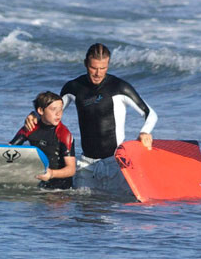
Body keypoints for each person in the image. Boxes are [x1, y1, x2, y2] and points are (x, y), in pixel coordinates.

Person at [25, 43, 157, 195]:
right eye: (94, 68)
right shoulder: (74, 87)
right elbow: (51, 110)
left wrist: (145, 132)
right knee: (82, 212)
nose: (98, 73)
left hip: (114, 163)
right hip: (86, 165)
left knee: (115, 212)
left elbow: (150, 113)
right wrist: (35, 114)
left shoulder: (120, 87)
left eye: (103, 68)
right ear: (86, 64)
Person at [11, 91, 76, 189]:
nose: (59, 114)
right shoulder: (31, 127)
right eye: (54, 109)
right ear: (41, 111)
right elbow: (11, 148)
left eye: (61, 109)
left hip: (60, 189)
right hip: (38, 183)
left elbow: (71, 169)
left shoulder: (64, 134)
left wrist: (52, 174)